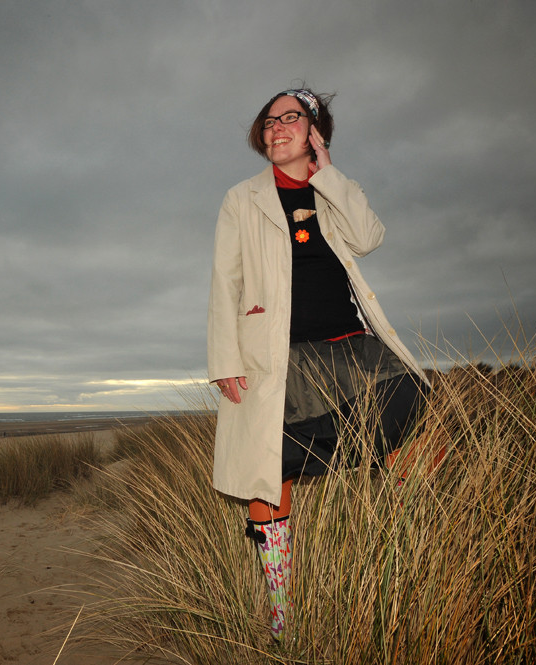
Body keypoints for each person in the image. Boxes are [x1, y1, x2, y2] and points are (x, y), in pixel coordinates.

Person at [207, 88, 430, 639]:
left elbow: (368, 237)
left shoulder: (333, 189)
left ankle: (415, 568)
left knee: (412, 421)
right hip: (276, 356)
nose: (277, 127)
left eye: (291, 117)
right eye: (269, 120)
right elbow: (225, 281)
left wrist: (327, 173)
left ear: (314, 130)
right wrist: (224, 358)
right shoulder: (241, 198)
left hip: (351, 346)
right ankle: (282, 609)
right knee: (268, 474)